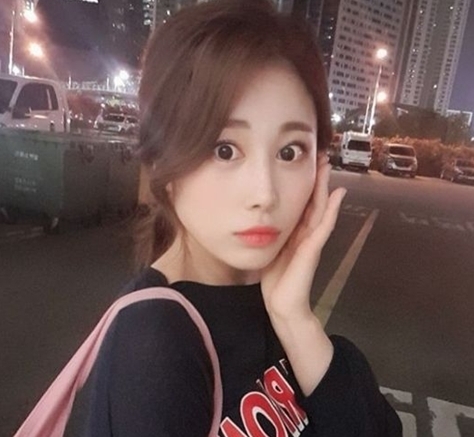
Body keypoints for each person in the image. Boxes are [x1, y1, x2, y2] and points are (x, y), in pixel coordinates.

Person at [82, 0, 403, 435]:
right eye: (225, 150)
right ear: (161, 160)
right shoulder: (155, 341)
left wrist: (295, 319)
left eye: (289, 152)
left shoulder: (273, 298)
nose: (264, 194)